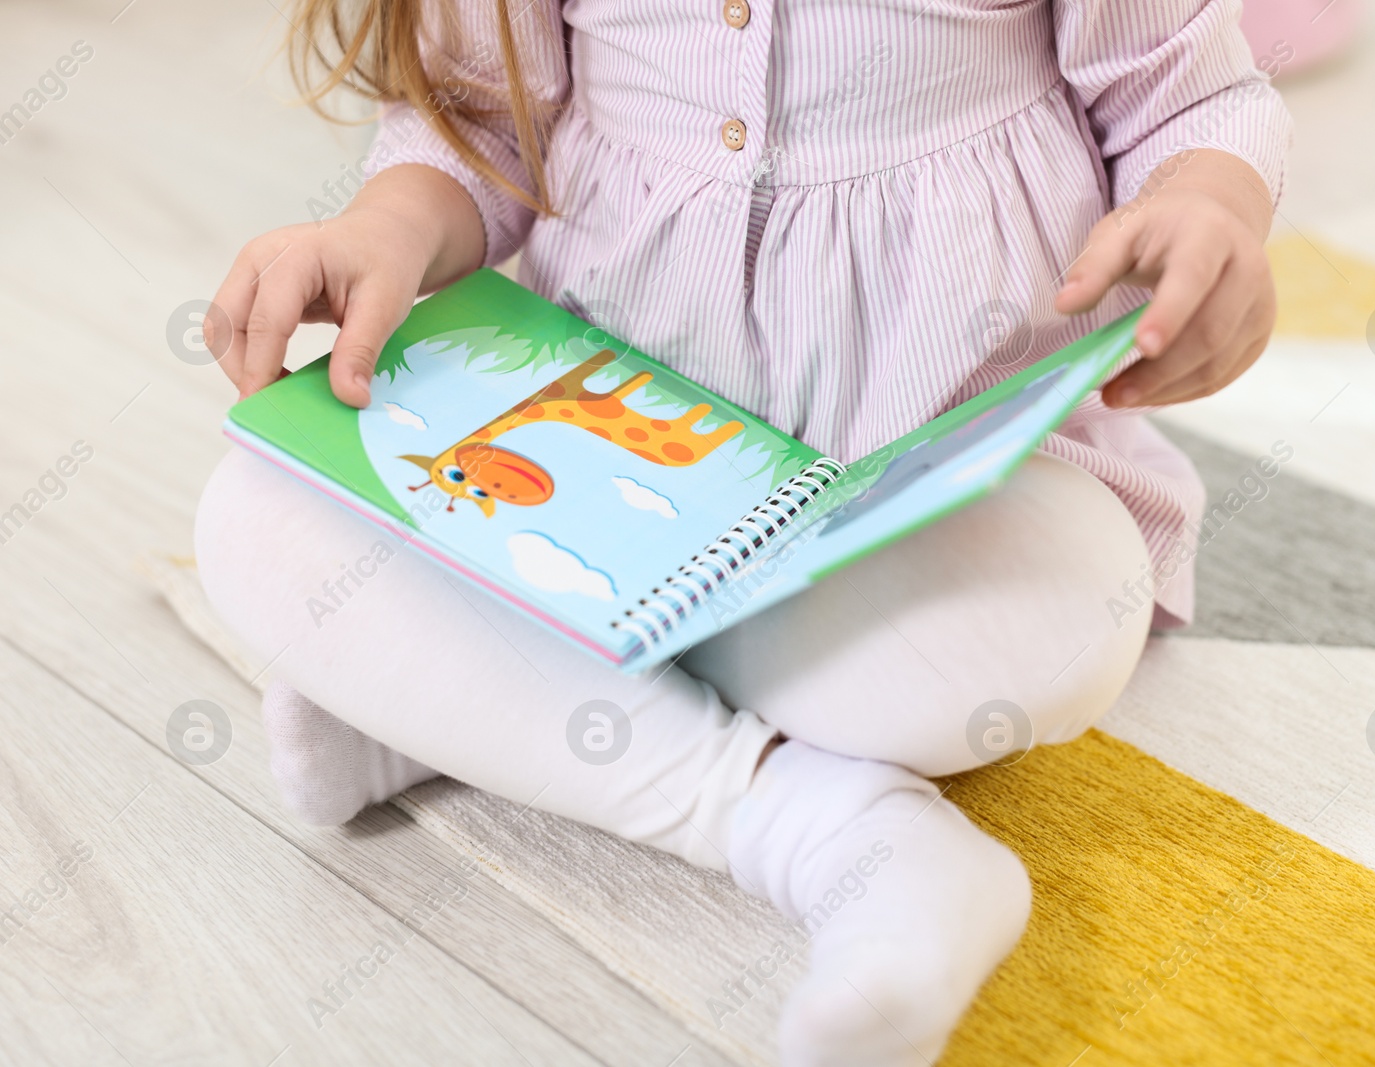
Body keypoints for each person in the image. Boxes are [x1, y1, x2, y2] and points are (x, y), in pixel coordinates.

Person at [194, 2, 1289, 1062]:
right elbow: (478, 123)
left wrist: (1210, 212)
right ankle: (819, 828)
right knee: (256, 518)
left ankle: (484, 690)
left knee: (1058, 618)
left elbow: (1179, 104)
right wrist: (379, 230)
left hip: (934, 473)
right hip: (605, 462)